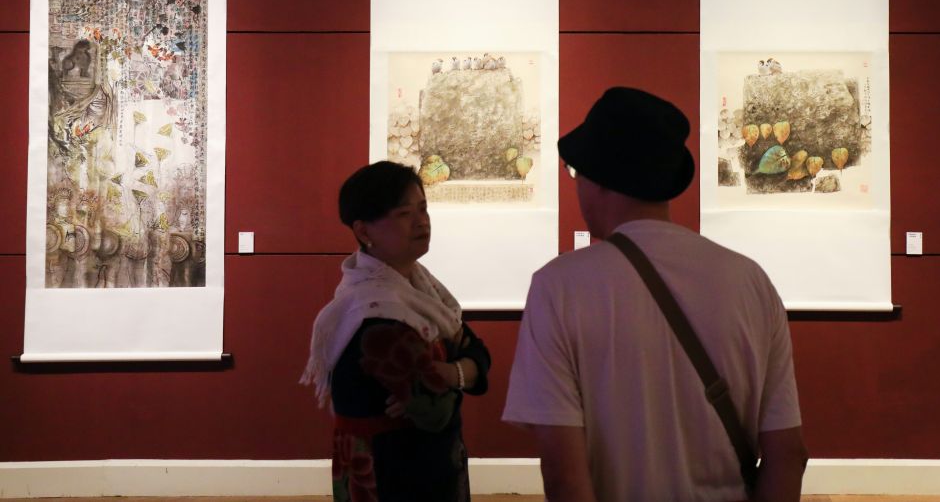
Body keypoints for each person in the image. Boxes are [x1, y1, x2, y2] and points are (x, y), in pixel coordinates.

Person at [503, 87, 807, 502]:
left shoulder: (558, 288)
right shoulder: (750, 281)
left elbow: (563, 475)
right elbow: (788, 455)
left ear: (597, 177)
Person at [302, 160, 491, 502]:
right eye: (404, 213)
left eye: (423, 208)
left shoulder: (421, 288)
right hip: (393, 473)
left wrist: (448, 374)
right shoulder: (376, 313)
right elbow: (436, 411)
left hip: (418, 465)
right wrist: (461, 372)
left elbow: (480, 355)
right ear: (364, 231)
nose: (422, 221)